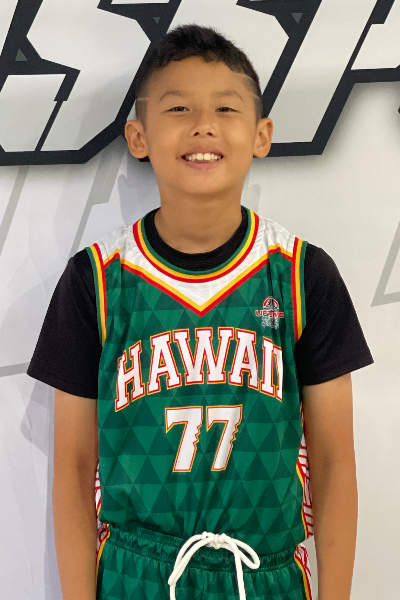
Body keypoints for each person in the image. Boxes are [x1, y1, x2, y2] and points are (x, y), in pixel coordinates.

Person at [27, 23, 374, 600]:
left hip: (265, 574)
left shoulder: (303, 276)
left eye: (226, 108)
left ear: (262, 134)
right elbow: (73, 467)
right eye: (179, 108)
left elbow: (335, 461)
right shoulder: (96, 282)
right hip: (136, 576)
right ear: (138, 136)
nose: (203, 125)